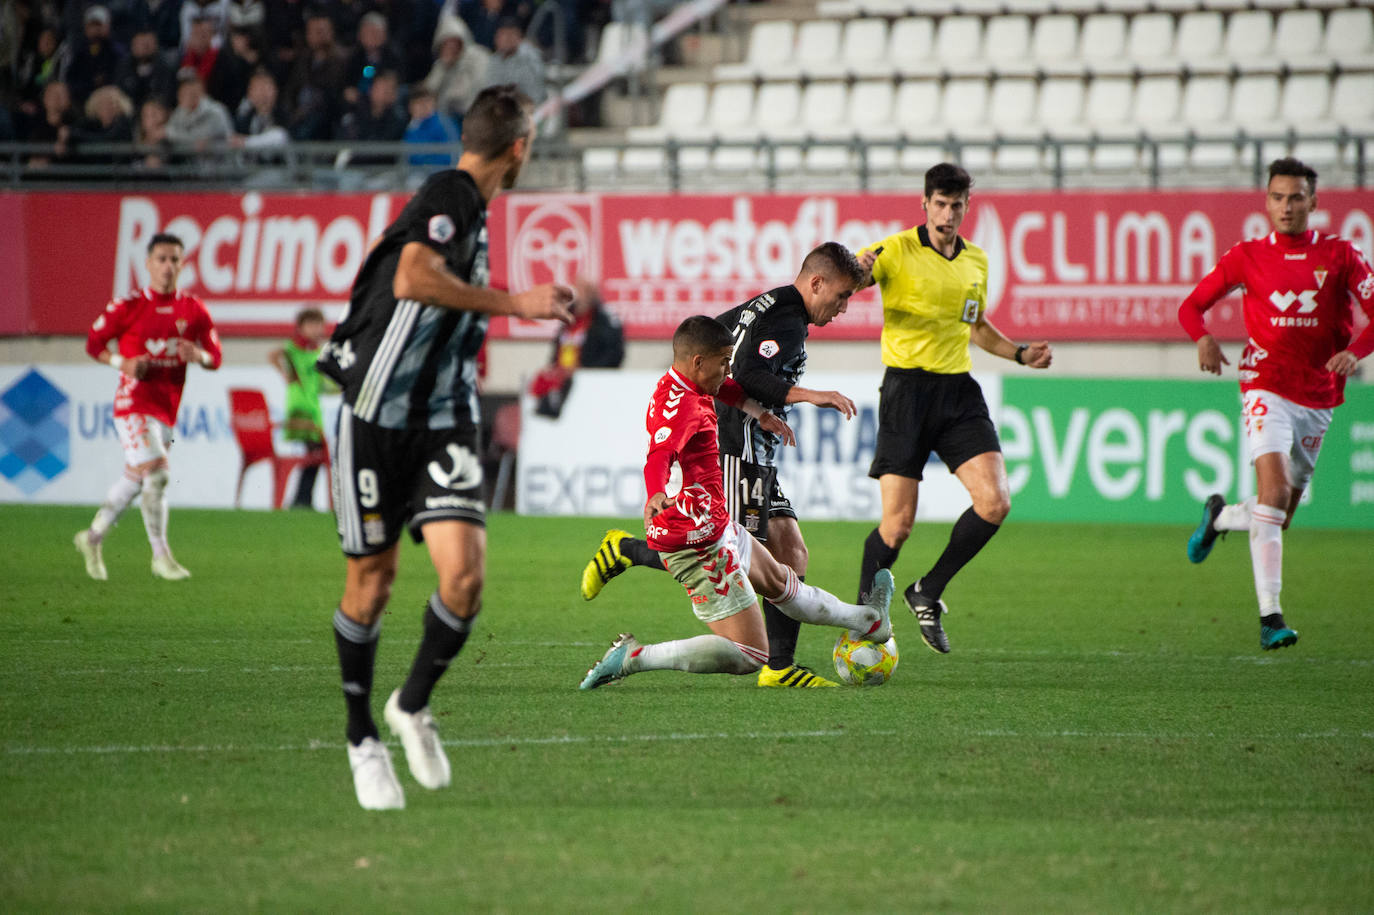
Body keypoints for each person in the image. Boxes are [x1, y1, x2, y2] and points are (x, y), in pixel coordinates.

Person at [316, 85, 575, 811]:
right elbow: (411, 275)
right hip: (376, 415)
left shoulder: (466, 209)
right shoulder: (453, 190)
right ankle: (362, 736)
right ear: (520, 147)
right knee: (373, 584)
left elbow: (387, 257)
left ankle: (411, 703)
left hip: (443, 414)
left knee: (464, 576)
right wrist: (515, 302)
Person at [581, 243, 868, 688]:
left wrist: (758, 411)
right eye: (843, 296)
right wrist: (809, 395)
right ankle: (630, 560)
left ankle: (802, 655)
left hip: (740, 466)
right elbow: (745, 379)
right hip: (732, 466)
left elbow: (728, 365)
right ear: (817, 283)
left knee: (788, 558)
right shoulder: (784, 324)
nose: (844, 307)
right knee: (742, 589)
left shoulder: (762, 311)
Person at [853, 162, 1053, 655]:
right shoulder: (896, 250)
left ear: (967, 207)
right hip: (906, 393)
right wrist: (850, 274)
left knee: (996, 502)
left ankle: (928, 590)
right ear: (924, 204)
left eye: (956, 205)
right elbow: (856, 271)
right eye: (939, 204)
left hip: (958, 393)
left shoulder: (976, 262)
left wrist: (1020, 353)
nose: (947, 213)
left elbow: (977, 326)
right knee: (897, 525)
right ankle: (862, 618)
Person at [1179, 157, 1374, 651]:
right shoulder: (1246, 256)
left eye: (1296, 198)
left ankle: (1219, 517)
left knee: (1280, 512)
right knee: (1272, 490)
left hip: (1320, 394)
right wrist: (1202, 338)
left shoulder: (1341, 256)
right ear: (1265, 202)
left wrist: (1356, 351)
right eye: (1277, 197)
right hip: (1264, 383)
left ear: (1314, 202)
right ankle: (1271, 618)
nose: (1286, 207)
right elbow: (1191, 305)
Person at [74, 232, 222, 582]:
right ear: (148, 263)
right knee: (158, 473)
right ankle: (161, 556)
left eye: (175, 259)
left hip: (165, 409)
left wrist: (198, 355)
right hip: (132, 404)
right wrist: (121, 363)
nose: (168, 266)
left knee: (136, 479)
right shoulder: (128, 306)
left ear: (183, 264)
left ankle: (92, 538)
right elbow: (94, 344)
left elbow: (215, 356)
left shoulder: (194, 309)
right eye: (161, 259)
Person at [269, 307, 333, 509]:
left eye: (318, 325)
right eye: (311, 325)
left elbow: (322, 383)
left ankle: (302, 499)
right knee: (316, 453)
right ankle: (302, 500)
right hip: (299, 410)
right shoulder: (294, 348)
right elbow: (274, 354)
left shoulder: (316, 353)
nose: (316, 329)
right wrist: (285, 374)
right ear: (301, 327)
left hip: (314, 411)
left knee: (315, 455)